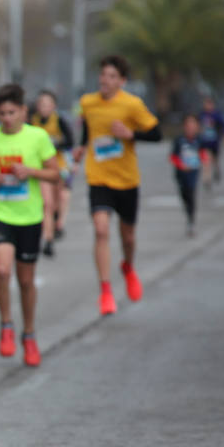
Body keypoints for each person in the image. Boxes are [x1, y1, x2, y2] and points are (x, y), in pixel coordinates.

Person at [0, 84, 59, 367]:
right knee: (2, 269)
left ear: (24, 111)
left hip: (30, 216)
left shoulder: (38, 137)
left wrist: (30, 171)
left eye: (12, 112)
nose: (7, 119)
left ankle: (29, 334)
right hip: (0, 211)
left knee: (25, 281)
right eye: (1, 114)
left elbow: (55, 174)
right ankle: (6, 325)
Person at [72, 54, 161, 316]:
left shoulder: (132, 105)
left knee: (128, 237)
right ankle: (106, 290)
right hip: (98, 177)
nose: (105, 81)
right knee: (101, 231)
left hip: (127, 180)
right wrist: (81, 146)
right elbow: (90, 129)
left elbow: (156, 133)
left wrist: (131, 134)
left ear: (122, 81)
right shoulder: (88, 102)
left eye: (112, 77)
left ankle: (128, 267)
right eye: (103, 75)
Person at [29, 90, 74, 258]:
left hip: (59, 166)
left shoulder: (59, 121)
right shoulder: (32, 122)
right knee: (46, 204)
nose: (44, 108)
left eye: (47, 104)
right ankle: (48, 239)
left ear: (53, 106)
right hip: (41, 168)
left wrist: (54, 145)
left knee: (58, 199)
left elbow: (70, 141)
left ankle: (58, 221)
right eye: (41, 104)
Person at [170, 113, 203, 236]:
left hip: (193, 172)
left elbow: (203, 154)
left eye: (193, 123)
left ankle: (191, 220)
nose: (190, 126)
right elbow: (173, 156)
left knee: (191, 194)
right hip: (181, 174)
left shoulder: (199, 140)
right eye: (188, 124)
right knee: (184, 195)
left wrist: (202, 164)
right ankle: (189, 215)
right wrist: (181, 165)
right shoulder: (179, 140)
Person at [198, 96, 224, 189]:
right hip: (205, 142)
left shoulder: (217, 115)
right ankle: (207, 179)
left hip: (214, 141)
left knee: (215, 159)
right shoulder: (201, 115)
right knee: (206, 161)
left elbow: (222, 126)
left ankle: (216, 170)